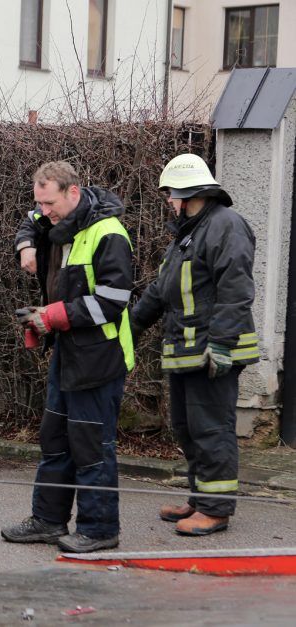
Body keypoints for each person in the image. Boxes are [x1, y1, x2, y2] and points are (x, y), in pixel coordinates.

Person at [3, 161, 134, 553]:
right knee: (55, 438)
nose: (43, 212)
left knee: (91, 444)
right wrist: (26, 244)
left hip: (101, 356)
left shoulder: (109, 233)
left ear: (72, 193)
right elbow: (29, 223)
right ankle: (48, 520)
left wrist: (53, 316)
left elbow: (113, 302)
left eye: (49, 203)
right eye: (40, 203)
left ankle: (99, 529)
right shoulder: (59, 220)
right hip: (70, 351)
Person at [130, 154, 258, 536]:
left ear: (187, 193)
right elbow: (163, 289)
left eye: (171, 193)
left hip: (212, 351)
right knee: (187, 428)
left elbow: (236, 292)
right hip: (187, 349)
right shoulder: (190, 233)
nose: (168, 200)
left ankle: (216, 509)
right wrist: (131, 325)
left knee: (211, 429)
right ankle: (200, 498)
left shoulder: (226, 227)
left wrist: (220, 344)